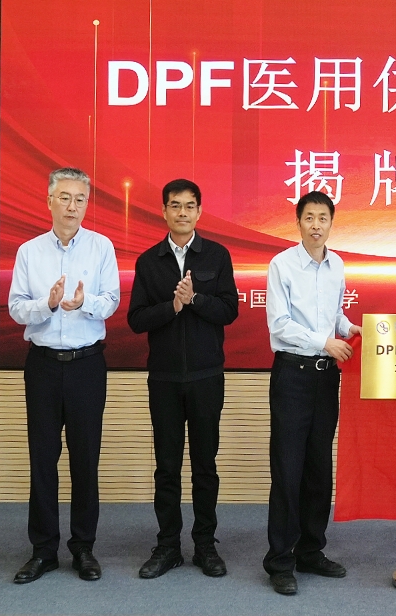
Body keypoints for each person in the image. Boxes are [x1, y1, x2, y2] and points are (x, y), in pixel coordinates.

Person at [8, 168, 120, 584]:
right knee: (42, 458)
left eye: (80, 199)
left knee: (85, 458)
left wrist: (82, 303)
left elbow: (111, 300)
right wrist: (48, 304)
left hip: (87, 364)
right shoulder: (29, 251)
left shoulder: (101, 246)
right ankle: (43, 550)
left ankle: (83, 547)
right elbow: (16, 307)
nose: (73, 206)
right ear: (49, 201)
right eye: (65, 197)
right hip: (42, 365)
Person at [127, 179, 239, 580]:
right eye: (175, 206)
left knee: (205, 465)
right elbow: (136, 319)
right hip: (165, 378)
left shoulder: (217, 255)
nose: (182, 213)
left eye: (190, 206)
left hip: (207, 376)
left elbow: (230, 310)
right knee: (167, 466)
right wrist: (172, 307)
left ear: (199, 211)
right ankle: (168, 546)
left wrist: (196, 300)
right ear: (163, 211)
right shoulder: (149, 261)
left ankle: (205, 545)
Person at [262, 190, 361, 596]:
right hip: (293, 376)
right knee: (288, 469)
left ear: (331, 223)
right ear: (298, 222)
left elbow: (333, 314)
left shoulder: (337, 265)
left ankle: (310, 550)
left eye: (323, 218)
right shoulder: (281, 265)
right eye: (309, 217)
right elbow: (280, 324)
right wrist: (325, 342)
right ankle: (280, 560)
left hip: (325, 379)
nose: (316, 225)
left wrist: (349, 328)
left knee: (319, 468)